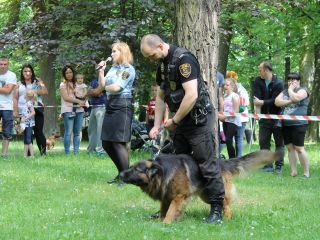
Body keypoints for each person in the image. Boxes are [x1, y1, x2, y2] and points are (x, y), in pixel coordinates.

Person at [140, 34, 225, 224]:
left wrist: (175, 120)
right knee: (176, 168)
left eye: (152, 55)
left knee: (207, 164)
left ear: (161, 46)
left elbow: (192, 94)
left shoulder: (184, 60)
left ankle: (217, 209)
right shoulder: (162, 65)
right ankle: (171, 209)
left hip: (198, 121)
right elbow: (161, 97)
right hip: (180, 123)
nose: (151, 59)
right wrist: (156, 125)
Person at [97, 41, 135, 184]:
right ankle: (121, 173)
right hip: (111, 103)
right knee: (106, 142)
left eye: (114, 51)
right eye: (112, 51)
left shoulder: (128, 69)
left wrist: (105, 87)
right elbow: (103, 85)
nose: (111, 54)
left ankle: (126, 177)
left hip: (123, 104)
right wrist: (101, 72)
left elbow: (116, 88)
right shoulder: (113, 69)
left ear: (122, 52)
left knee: (118, 142)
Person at [275, 73, 310, 178]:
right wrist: (290, 99)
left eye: (293, 80)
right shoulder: (284, 91)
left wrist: (290, 90)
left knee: (299, 148)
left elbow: (297, 98)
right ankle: (293, 171)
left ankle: (306, 173)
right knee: (290, 148)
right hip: (286, 124)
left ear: (298, 81)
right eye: (289, 80)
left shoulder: (303, 90)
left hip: (299, 124)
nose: (291, 82)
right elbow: (277, 102)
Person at [253, 61, 284, 173]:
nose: (259, 71)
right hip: (264, 118)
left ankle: (279, 166)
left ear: (266, 70)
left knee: (279, 143)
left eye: (260, 69)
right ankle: (267, 166)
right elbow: (256, 99)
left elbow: (275, 102)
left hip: (277, 117)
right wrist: (258, 113)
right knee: (263, 142)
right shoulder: (257, 81)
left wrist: (261, 102)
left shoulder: (279, 83)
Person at [13, 64, 48, 156]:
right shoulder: (19, 84)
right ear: (22, 72)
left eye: (29, 71)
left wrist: (35, 90)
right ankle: (29, 154)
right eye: (25, 71)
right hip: (23, 112)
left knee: (38, 131)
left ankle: (43, 153)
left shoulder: (37, 82)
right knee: (27, 132)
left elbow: (45, 91)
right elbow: (15, 98)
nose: (27, 73)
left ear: (32, 72)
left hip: (36, 109)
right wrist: (15, 111)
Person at [59, 65, 86, 155]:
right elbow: (66, 98)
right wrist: (78, 100)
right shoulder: (63, 84)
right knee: (68, 132)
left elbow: (83, 93)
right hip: (68, 110)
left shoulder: (77, 83)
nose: (69, 74)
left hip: (80, 110)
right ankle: (67, 153)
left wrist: (83, 99)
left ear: (73, 73)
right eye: (66, 73)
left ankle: (76, 153)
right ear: (64, 74)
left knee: (77, 132)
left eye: (70, 72)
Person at [226, 70, 249, 157]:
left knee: (238, 138)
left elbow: (244, 104)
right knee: (230, 139)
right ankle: (233, 159)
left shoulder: (241, 89)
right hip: (230, 119)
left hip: (241, 118)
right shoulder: (228, 89)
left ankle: (238, 159)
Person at [218, 78, 241, 159]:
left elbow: (236, 112)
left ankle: (233, 159)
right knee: (227, 141)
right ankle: (232, 159)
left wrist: (224, 116)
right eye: (224, 84)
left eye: (227, 85)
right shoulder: (225, 96)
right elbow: (222, 107)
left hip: (233, 121)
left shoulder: (235, 96)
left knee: (228, 140)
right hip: (225, 121)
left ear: (232, 86)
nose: (225, 86)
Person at [0, 56, 17, 159]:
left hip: (7, 107)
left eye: (5, 64)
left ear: (8, 64)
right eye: (1, 64)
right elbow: (5, 89)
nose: (2, 66)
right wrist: (4, 88)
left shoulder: (12, 75)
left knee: (7, 132)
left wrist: (5, 88)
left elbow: (8, 91)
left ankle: (4, 154)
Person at [86, 75, 106, 156]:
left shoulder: (106, 79)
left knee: (100, 130)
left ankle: (101, 151)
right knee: (91, 130)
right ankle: (91, 150)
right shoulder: (93, 80)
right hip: (93, 107)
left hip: (102, 107)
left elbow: (97, 92)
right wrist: (94, 92)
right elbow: (88, 93)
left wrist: (93, 91)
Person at [21, 89, 36, 158]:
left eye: (24, 94)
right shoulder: (25, 103)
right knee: (26, 140)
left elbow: (33, 112)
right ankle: (25, 155)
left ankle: (32, 155)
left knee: (28, 139)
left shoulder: (29, 103)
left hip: (29, 124)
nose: (23, 95)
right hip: (25, 124)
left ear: (26, 95)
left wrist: (25, 118)